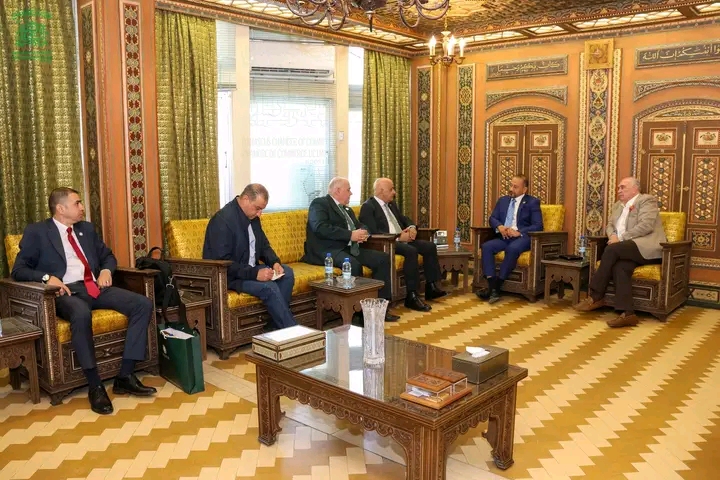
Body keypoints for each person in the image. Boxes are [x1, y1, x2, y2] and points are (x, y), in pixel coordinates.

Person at [12, 187, 156, 415]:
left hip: (95, 287)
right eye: (77, 203)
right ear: (61, 209)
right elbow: (18, 270)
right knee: (80, 313)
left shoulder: (86, 229)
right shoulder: (37, 232)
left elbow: (107, 256)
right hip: (65, 292)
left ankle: (125, 375)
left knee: (142, 304)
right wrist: (47, 278)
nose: (82, 208)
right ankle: (95, 385)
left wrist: (106, 270)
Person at [302, 177, 399, 322]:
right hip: (326, 250)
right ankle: (357, 314)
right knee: (353, 264)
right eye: (348, 190)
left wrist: (363, 232)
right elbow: (320, 227)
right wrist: (350, 235)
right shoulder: (320, 204)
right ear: (337, 190)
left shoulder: (347, 209)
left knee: (382, 259)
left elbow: (360, 225)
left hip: (348, 248)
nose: (351, 193)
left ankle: (380, 308)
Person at [575, 177, 666, 328]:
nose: (619, 191)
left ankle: (596, 295)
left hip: (647, 248)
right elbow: (610, 225)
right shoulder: (618, 205)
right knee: (620, 267)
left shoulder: (646, 200)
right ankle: (628, 313)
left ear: (635, 189)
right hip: (626, 249)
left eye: (623, 187)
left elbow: (646, 226)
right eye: (618, 188)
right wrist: (612, 236)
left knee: (612, 249)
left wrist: (620, 238)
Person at [203, 184, 297, 331]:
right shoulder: (222, 220)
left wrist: (275, 263)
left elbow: (263, 246)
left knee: (287, 273)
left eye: (262, 209)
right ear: (246, 199)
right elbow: (223, 263)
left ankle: (274, 327)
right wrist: (255, 274)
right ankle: (294, 333)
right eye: (258, 208)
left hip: (250, 270)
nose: (260, 214)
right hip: (230, 277)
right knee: (269, 287)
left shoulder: (252, 217)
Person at [359, 177, 447, 312]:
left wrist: (411, 227)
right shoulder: (368, 207)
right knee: (411, 251)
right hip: (387, 243)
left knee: (429, 247)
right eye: (391, 189)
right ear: (381, 191)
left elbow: (404, 219)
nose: (394, 192)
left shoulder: (391, 205)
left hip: (401, 239)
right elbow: (373, 232)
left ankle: (431, 287)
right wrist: (399, 237)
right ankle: (411, 295)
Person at [477, 174, 543, 303]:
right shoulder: (503, 200)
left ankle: (497, 285)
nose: (511, 189)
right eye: (511, 185)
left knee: (512, 249)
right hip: (504, 236)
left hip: (521, 238)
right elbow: (492, 218)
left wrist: (519, 232)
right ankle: (492, 285)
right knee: (487, 246)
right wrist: (499, 226)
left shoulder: (532, 202)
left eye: (515, 187)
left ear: (524, 189)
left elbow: (538, 225)